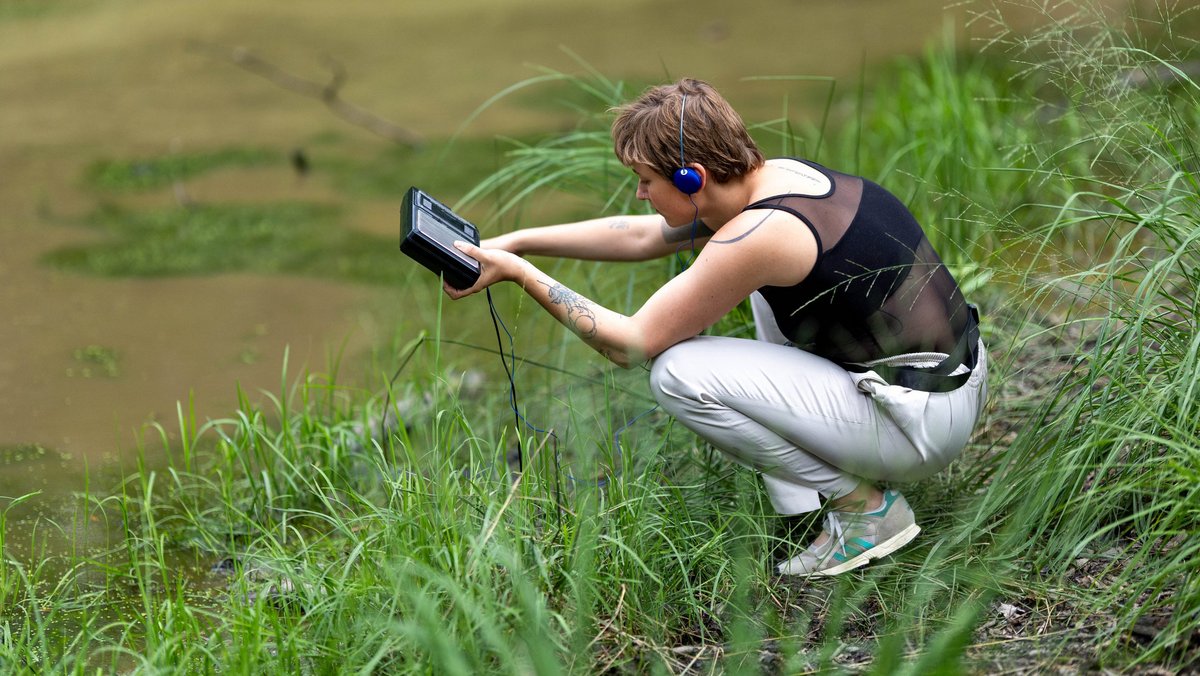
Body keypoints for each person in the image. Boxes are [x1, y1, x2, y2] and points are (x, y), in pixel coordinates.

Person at [443, 78, 988, 577]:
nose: (639, 194)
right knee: (755, 298)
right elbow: (640, 237)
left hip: (920, 425)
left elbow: (630, 346)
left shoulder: (761, 233)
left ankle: (865, 513)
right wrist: (517, 242)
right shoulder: (781, 181)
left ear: (691, 178)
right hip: (945, 384)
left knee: (677, 372)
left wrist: (519, 274)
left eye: (644, 180)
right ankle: (804, 508)